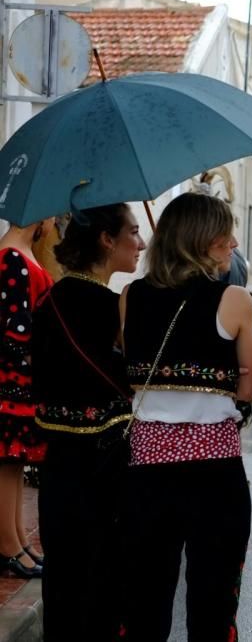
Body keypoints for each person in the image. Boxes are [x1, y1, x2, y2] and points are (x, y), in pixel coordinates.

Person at [118, 192, 252, 641]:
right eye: (224, 237)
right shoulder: (234, 299)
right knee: (213, 600)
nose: (232, 244)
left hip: (147, 469)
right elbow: (247, 383)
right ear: (201, 241)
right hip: (214, 470)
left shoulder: (129, 296)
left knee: (145, 597)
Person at [32, 204, 144, 639]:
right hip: (107, 463)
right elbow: (134, 377)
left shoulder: (48, 300)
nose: (141, 243)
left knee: (63, 574)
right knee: (104, 573)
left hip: (58, 462)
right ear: (106, 240)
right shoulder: (114, 307)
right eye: (133, 233)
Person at [0, 218, 56, 579]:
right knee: (7, 461)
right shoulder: (12, 258)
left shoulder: (18, 255)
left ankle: (16, 539)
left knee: (14, 463)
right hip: (12, 380)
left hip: (18, 378)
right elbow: (14, 329)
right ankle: (7, 544)